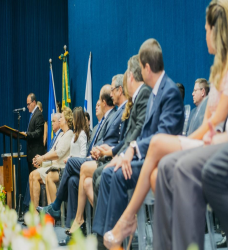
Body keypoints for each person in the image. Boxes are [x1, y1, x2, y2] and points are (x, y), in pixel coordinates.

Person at [151, 1, 228, 249]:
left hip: (222, 139)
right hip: (211, 138)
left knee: (166, 155)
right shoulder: (219, 68)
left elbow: (217, 122)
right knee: (160, 168)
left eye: (206, 29)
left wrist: (191, 142)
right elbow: (209, 122)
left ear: (217, 30)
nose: (204, 33)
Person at [97, 38, 184, 249]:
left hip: (161, 162)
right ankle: (103, 238)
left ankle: (114, 238)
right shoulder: (155, 92)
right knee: (110, 172)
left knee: (115, 174)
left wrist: (133, 150)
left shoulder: (169, 92)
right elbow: (146, 135)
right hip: (146, 158)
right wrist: (131, 153)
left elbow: (162, 137)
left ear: (146, 68)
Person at [66, 55, 151, 238]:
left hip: (133, 158)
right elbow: (129, 137)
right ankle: (105, 230)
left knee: (91, 172)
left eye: (113, 90)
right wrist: (110, 151)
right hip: (119, 154)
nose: (111, 94)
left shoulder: (141, 97)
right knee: (86, 180)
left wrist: (112, 152)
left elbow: (135, 136)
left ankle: (106, 230)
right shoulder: (131, 103)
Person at [37, 83, 124, 228]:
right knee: (72, 181)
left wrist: (99, 151)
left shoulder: (113, 117)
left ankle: (57, 207)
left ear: (103, 102)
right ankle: (74, 227)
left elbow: (110, 142)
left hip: (101, 159)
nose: (96, 106)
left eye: (98, 103)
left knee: (70, 164)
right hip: (95, 158)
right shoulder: (99, 124)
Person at [29, 107, 74, 209]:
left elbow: (58, 153)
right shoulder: (61, 134)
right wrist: (40, 161)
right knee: (32, 175)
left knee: (35, 175)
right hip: (52, 167)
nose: (59, 120)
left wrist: (42, 158)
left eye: (61, 117)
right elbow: (52, 151)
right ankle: (34, 213)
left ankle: (51, 212)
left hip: (60, 169)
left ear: (66, 120)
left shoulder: (69, 134)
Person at [45, 107, 90, 205]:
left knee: (51, 176)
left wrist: (70, 159)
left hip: (74, 167)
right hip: (71, 166)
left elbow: (83, 156)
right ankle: (52, 209)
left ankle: (56, 204)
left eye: (73, 118)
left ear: (77, 119)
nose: (72, 120)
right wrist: (70, 158)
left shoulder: (82, 134)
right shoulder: (74, 134)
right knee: (50, 176)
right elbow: (72, 154)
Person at [22, 93, 45, 173]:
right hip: (31, 154)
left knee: (35, 179)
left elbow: (38, 133)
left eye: (28, 104)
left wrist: (27, 134)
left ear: (34, 102)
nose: (27, 106)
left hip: (36, 154)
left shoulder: (38, 115)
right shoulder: (33, 115)